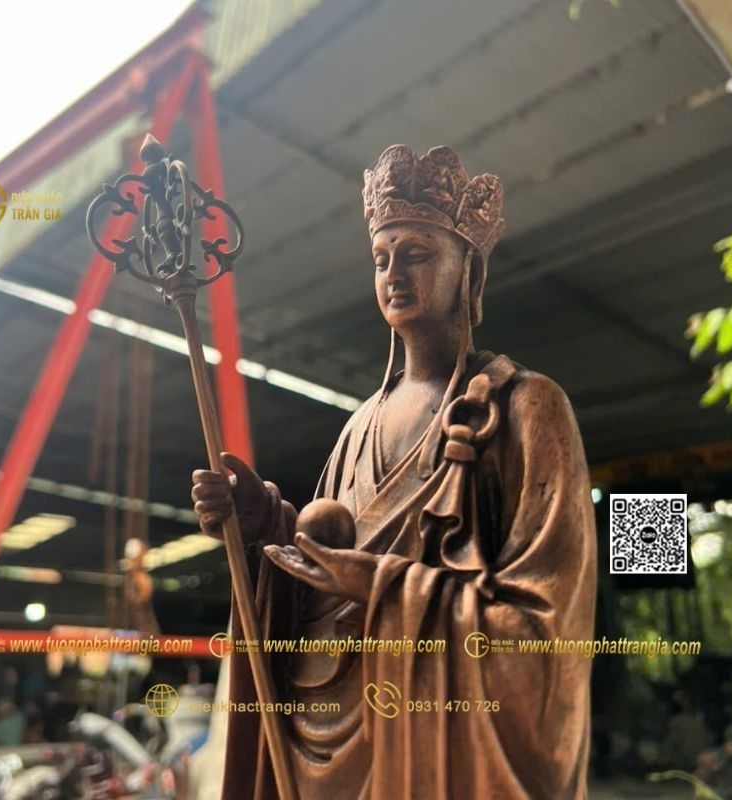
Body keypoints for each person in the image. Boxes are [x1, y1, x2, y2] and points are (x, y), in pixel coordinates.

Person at [192, 145, 597, 799]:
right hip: (317, 727)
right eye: (381, 258)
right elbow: (320, 563)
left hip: (427, 740)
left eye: (416, 254)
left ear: (469, 269)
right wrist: (261, 527)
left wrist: (382, 587)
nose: (394, 274)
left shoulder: (525, 409)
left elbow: (547, 627)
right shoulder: (358, 429)